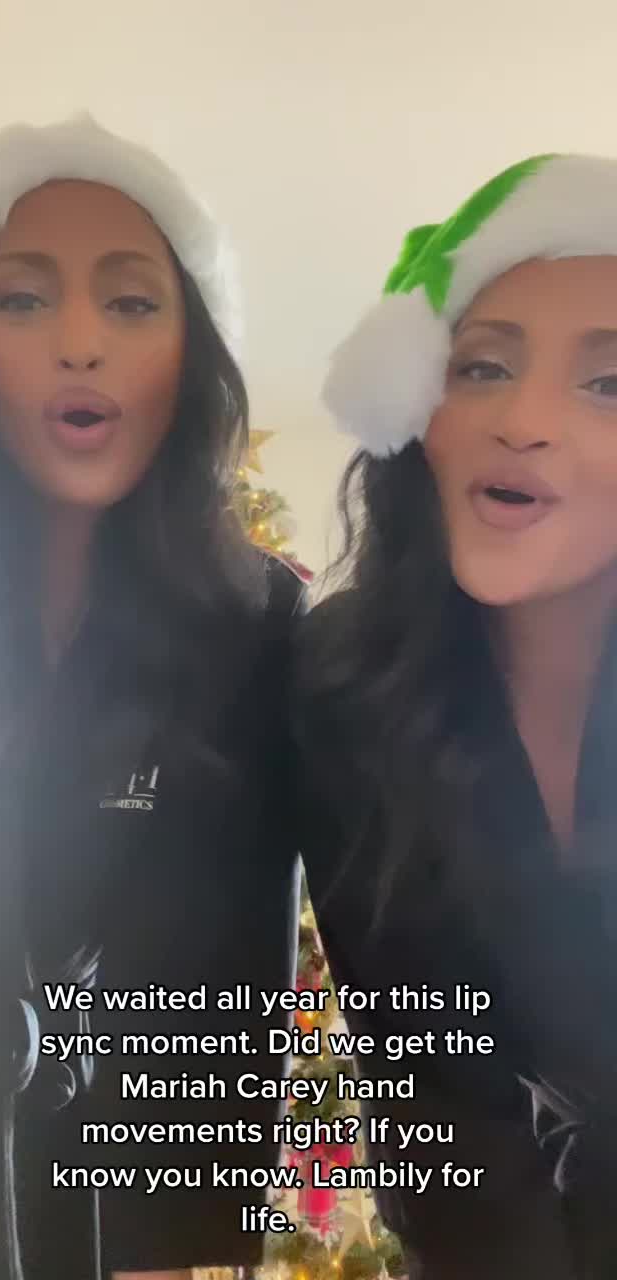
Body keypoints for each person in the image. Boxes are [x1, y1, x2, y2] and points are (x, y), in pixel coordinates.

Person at [0, 114, 300, 1279]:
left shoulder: (256, 622)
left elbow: (237, 972)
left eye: (129, 302)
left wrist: (180, 1247)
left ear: (190, 349)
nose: (80, 343)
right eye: (23, 299)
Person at [295, 154, 617, 1279]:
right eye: (481, 366)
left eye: (608, 384)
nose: (522, 421)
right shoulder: (337, 691)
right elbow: (426, 1077)